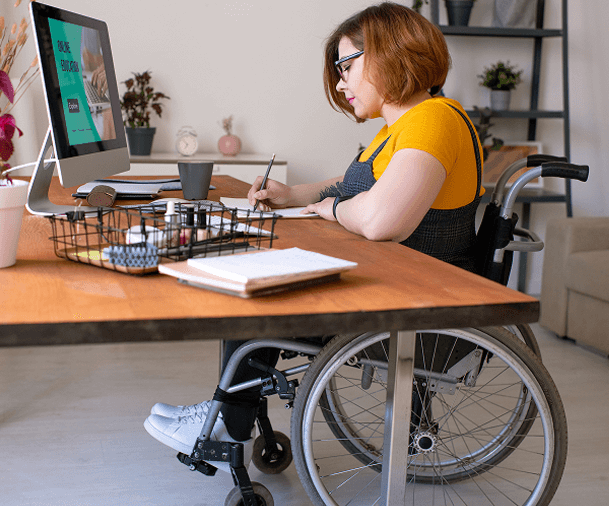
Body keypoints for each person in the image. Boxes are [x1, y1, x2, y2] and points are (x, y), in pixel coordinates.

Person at [143, 2, 484, 469]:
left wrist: (333, 210)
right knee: (253, 268)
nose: (341, 83)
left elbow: (382, 219)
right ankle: (229, 414)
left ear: (388, 53)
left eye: (347, 66)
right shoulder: (401, 126)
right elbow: (352, 188)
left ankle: (228, 422)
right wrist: (293, 195)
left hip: (408, 300)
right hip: (390, 283)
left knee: (256, 287)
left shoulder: (434, 120)